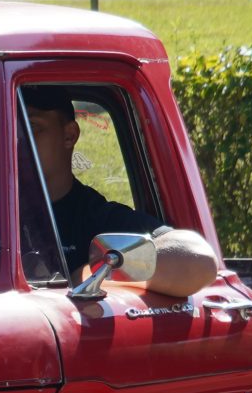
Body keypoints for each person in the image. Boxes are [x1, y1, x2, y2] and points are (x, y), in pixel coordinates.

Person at [24, 86, 156, 270]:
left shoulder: (98, 221)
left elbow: (197, 260)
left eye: (29, 127)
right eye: (0, 130)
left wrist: (88, 278)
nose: (13, 139)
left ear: (69, 135)